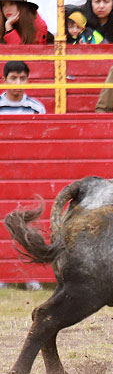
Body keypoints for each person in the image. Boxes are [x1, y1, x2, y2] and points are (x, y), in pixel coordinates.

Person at [0, 59, 45, 291]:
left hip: (28, 170)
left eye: (22, 78)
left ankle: (30, 274)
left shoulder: (36, 107)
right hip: (2, 168)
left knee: (29, 220)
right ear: (4, 80)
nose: (17, 83)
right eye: (12, 78)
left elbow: (41, 140)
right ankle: (4, 274)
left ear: (28, 80)